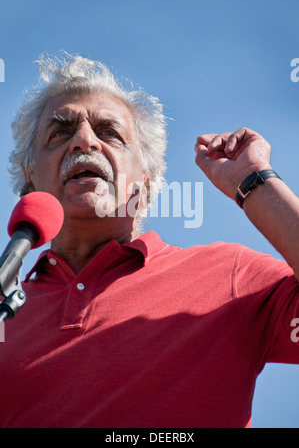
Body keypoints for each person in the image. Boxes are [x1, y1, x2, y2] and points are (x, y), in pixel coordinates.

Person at [0, 53, 298, 428]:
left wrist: (255, 181)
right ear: (29, 178)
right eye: (60, 132)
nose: (83, 141)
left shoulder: (231, 275)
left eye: (109, 132)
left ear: (148, 178)